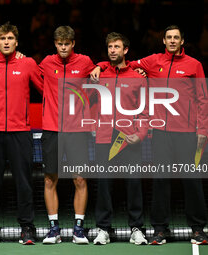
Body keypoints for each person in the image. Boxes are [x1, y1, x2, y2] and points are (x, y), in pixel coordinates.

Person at [93, 25, 208, 245]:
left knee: (192, 180)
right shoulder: (153, 61)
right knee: (160, 181)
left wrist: (202, 129)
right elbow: (123, 63)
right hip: (160, 132)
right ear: (163, 41)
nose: (172, 41)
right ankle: (160, 230)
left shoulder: (194, 65)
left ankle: (197, 229)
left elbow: (203, 99)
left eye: (176, 37)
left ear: (182, 41)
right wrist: (99, 65)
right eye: (168, 38)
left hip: (187, 133)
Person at [0, 22, 43, 245]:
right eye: (2, 39)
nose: (6, 42)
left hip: (21, 132)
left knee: (24, 182)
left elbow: (44, 89)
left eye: (10, 38)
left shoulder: (28, 64)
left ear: (16, 42)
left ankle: (27, 228)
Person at [39, 26, 96, 244]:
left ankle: (78, 229)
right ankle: (54, 229)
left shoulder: (84, 62)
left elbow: (100, 70)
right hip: (52, 129)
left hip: (78, 130)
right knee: (49, 178)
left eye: (67, 43)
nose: (63, 47)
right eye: (59, 43)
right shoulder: (46, 63)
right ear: (55, 44)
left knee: (80, 179)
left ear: (73, 44)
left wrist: (98, 67)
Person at [91, 32, 148, 245]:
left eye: (117, 47)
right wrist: (97, 67)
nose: (113, 50)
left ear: (125, 50)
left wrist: (140, 134)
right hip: (105, 137)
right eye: (110, 47)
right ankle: (103, 229)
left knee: (133, 184)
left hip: (129, 137)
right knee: (104, 184)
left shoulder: (137, 77)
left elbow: (145, 110)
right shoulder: (99, 75)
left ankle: (136, 228)